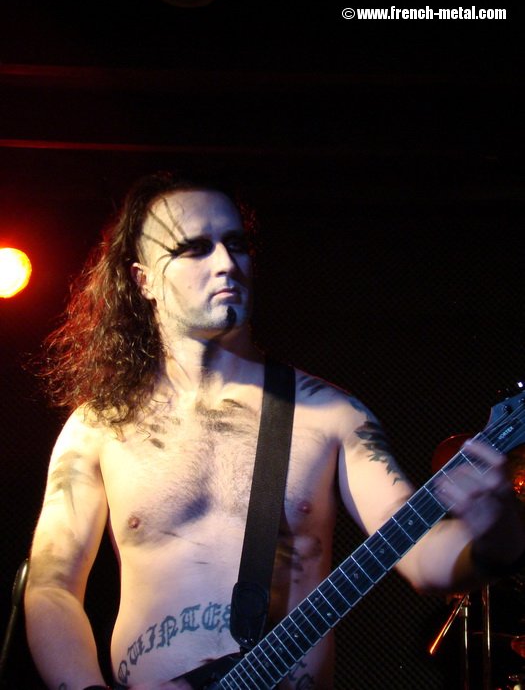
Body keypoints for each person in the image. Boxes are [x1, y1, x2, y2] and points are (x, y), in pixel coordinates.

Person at [24, 170, 525, 690]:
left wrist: (500, 528)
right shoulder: (98, 428)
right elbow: (51, 585)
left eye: (236, 244)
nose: (226, 263)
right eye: (194, 249)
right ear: (143, 280)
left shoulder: (331, 415)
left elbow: (426, 562)